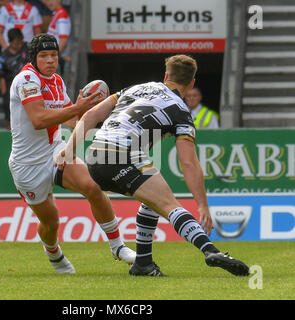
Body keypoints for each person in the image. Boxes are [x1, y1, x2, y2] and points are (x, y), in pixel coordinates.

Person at [55, 55, 250, 277]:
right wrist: (202, 205)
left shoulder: (136, 88)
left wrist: (68, 151)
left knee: (153, 200)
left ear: (166, 75)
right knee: (169, 205)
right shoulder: (182, 112)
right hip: (122, 154)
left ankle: (143, 264)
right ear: (192, 83)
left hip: (96, 154)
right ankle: (210, 250)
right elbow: (188, 162)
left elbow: (91, 115)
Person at [8, 33, 135, 274]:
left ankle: (118, 246)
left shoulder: (56, 80)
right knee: (50, 222)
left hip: (55, 151)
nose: (49, 60)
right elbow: (38, 120)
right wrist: (78, 108)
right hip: (27, 165)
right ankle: (53, 253)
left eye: (53, 55)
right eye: (43, 56)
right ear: (33, 58)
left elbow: (71, 119)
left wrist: (98, 113)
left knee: (93, 187)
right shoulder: (26, 79)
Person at [0, 27, 27, 122]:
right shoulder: (4, 55)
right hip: (10, 84)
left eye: (20, 42)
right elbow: (0, 74)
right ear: (9, 41)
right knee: (8, 103)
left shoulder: (27, 49)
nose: (18, 45)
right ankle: (10, 124)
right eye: (16, 43)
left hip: (26, 83)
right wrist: (4, 91)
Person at [42, 0, 70, 76]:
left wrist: (53, 57)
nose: (49, 3)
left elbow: (63, 40)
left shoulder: (61, 15)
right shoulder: (57, 13)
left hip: (56, 59)